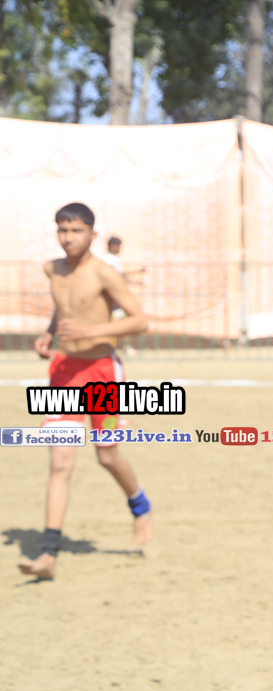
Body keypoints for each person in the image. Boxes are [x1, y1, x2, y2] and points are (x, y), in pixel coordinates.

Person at [18, 203, 152, 580]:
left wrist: (91, 331)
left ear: (92, 235)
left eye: (76, 231)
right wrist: (49, 333)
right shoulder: (53, 269)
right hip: (64, 374)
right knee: (60, 461)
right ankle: (48, 554)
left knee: (106, 456)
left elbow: (140, 321)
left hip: (102, 375)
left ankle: (141, 507)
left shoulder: (105, 273)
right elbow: (63, 309)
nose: (68, 238)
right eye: (62, 230)